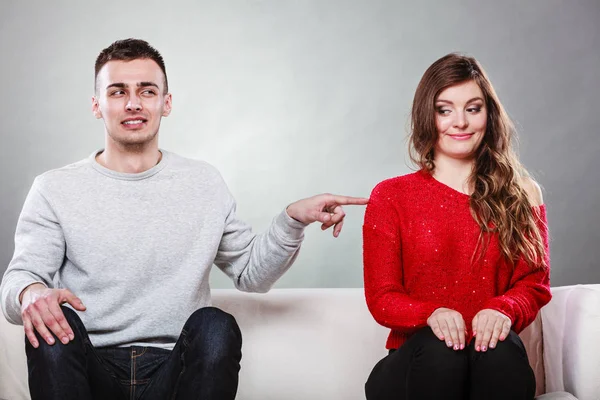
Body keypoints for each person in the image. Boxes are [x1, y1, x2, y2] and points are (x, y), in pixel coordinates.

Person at [0, 38, 368, 400]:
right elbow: (19, 277)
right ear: (97, 105)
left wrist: (292, 220)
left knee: (215, 325)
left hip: (175, 372)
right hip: (86, 365)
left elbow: (251, 274)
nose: (133, 103)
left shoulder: (203, 182)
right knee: (51, 325)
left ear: (166, 102)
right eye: (117, 92)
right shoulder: (54, 188)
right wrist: (31, 292)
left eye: (146, 91)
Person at [362, 53, 551, 400]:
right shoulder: (390, 195)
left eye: (473, 108)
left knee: (497, 348)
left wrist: (502, 309)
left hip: (491, 359)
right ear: (427, 115)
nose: (460, 122)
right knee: (441, 349)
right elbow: (382, 298)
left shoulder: (522, 192)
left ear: (488, 115)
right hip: (416, 366)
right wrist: (431, 314)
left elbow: (534, 282)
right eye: (445, 109)